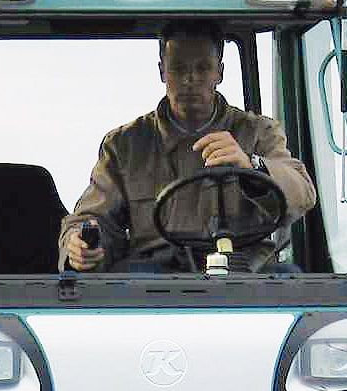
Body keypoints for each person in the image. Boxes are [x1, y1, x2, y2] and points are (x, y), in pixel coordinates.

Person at [58, 23, 317, 272]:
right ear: (162, 71)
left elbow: (302, 194)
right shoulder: (125, 146)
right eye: (178, 69)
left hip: (243, 271)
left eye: (203, 68)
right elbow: (93, 219)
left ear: (220, 72)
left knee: (288, 276)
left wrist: (253, 168)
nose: (190, 80)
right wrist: (81, 246)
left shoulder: (259, 132)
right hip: (154, 282)